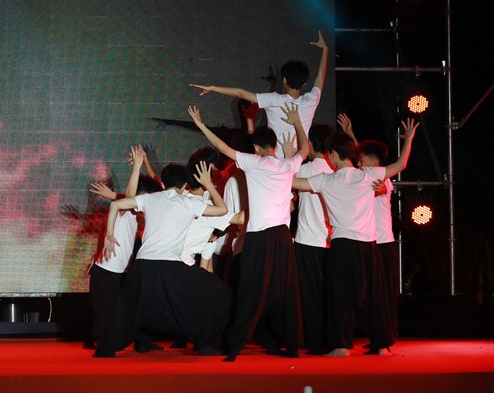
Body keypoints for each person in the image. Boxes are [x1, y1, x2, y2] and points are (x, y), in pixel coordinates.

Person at [188, 103, 308, 361]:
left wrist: (201, 125)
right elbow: (305, 149)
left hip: (260, 236)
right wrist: (297, 123)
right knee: (286, 290)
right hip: (283, 237)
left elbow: (223, 148)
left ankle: (235, 347)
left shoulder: (254, 163)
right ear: (274, 146)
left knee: (251, 291)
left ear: (256, 148)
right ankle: (291, 345)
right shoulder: (287, 165)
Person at [291, 118, 418, 356]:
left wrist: (288, 161)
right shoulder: (367, 175)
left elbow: (293, 181)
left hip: (341, 246)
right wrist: (409, 138)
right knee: (375, 297)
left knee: (340, 296)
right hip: (369, 247)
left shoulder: (327, 180)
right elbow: (401, 164)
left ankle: (341, 346)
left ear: (333, 154)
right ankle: (381, 345)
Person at [93, 160, 235, 357]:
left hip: (142, 266)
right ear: (185, 186)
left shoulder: (151, 198)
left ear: (161, 183)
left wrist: (109, 234)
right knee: (220, 292)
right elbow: (222, 210)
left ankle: (107, 347)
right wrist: (209, 185)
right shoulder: (188, 202)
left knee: (128, 305)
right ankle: (206, 344)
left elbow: (116, 204)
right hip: (170, 266)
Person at [189, 31, 329, 157]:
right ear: (304, 83)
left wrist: (213, 87)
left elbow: (241, 93)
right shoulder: (311, 100)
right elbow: (320, 78)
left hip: (273, 160)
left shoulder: (275, 100)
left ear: (284, 80)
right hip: (297, 160)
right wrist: (325, 50)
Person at [85, 146, 159, 350]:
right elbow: (129, 196)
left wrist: (144, 163)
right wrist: (136, 168)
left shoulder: (133, 213)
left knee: (116, 313)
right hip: (106, 273)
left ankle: (109, 342)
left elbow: (153, 191)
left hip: (115, 273)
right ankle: (101, 344)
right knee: (106, 315)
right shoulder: (125, 211)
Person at [339, 113, 401, 346]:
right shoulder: (367, 174)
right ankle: (378, 336)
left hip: (383, 243)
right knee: (372, 293)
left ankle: (386, 338)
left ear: (374, 164)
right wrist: (350, 134)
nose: (358, 163)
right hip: (372, 243)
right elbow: (362, 156)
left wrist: (380, 190)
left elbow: (380, 187)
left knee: (384, 294)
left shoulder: (383, 180)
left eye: (362, 160)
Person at [293, 124, 334, 354]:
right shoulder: (333, 170)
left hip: (308, 240)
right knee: (328, 292)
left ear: (311, 144)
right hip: (329, 240)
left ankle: (316, 340)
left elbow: (285, 178)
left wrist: (290, 153)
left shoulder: (306, 169)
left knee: (309, 293)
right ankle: (330, 337)